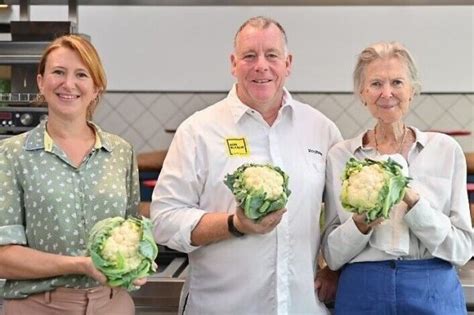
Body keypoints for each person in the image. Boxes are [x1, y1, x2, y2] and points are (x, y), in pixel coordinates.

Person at [151, 16, 342, 314]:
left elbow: (340, 218)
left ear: (288, 63)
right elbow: (163, 220)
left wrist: (334, 268)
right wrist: (234, 224)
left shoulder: (321, 129)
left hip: (302, 307)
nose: (261, 66)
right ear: (233, 63)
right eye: (249, 56)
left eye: (272, 55)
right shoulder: (198, 131)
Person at [322, 41, 472, 315]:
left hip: (432, 289)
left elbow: (462, 249)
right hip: (362, 290)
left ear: (412, 90)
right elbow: (331, 255)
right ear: (362, 93)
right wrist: (361, 223)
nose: (387, 93)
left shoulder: (445, 150)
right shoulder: (341, 156)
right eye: (376, 83)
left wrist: (415, 205)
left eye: (397, 82)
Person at [0, 35, 143, 315]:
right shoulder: (11, 154)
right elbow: (3, 257)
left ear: (96, 88)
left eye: (81, 74)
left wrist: (135, 263)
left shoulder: (121, 152)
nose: (68, 84)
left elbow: (133, 231)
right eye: (58, 72)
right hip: (38, 306)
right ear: (41, 81)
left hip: (113, 305)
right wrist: (80, 264)